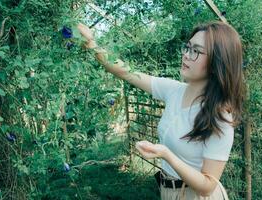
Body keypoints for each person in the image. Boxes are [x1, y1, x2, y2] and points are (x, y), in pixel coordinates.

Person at [77, 20, 245, 200]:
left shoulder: (220, 117)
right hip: (168, 191)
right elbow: (127, 72)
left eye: (196, 51)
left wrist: (166, 155)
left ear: (217, 61)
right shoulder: (173, 90)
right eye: (187, 48)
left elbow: (208, 186)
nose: (186, 55)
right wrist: (91, 43)